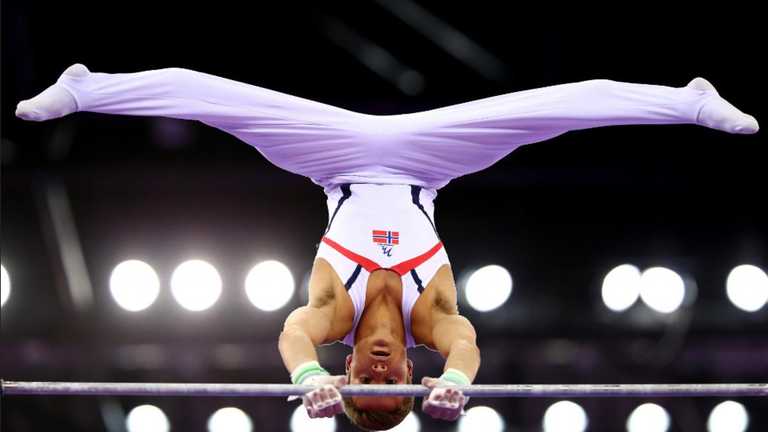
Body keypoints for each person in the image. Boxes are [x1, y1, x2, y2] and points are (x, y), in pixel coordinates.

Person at [16, 63, 758, 430]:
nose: (377, 370)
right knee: (552, 109)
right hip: (427, 165)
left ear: (347, 371)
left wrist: (307, 375)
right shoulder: (431, 320)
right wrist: (457, 383)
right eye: (392, 381)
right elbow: (466, 342)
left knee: (215, 97)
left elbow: (292, 332)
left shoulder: (333, 318)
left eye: (360, 383)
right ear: (411, 371)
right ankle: (687, 102)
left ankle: (88, 87)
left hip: (332, 158)